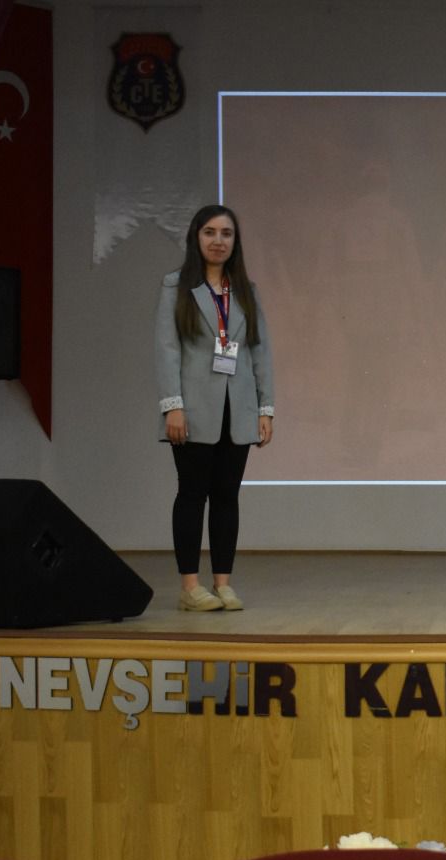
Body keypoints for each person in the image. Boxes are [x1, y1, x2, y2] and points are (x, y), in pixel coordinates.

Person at [155, 205, 275, 611]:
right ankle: (190, 587)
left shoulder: (245, 291)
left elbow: (260, 352)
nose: (218, 241)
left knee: (227, 496)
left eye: (226, 234)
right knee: (192, 495)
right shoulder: (176, 286)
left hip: (238, 410)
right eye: (210, 232)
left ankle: (223, 583)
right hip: (191, 411)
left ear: (235, 242)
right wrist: (173, 406)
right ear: (196, 237)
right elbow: (167, 349)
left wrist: (265, 408)